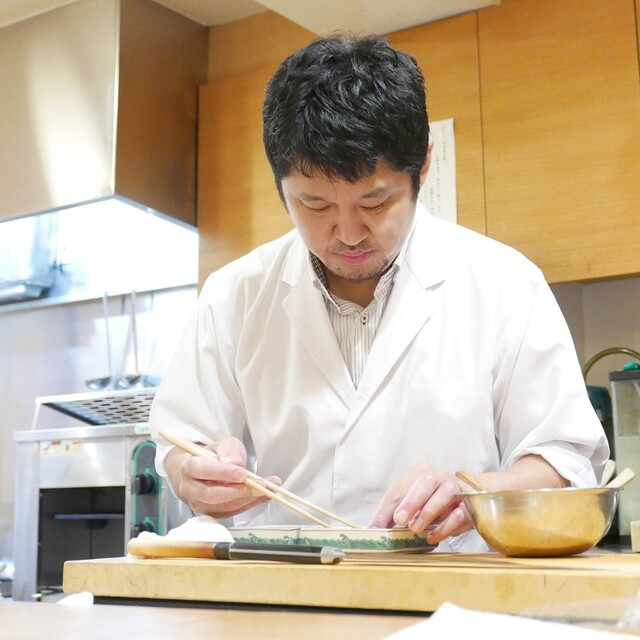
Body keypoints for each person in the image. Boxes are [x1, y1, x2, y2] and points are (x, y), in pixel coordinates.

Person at [149, 33, 609, 552]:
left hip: (455, 592)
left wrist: (476, 494)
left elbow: (564, 458)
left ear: (423, 165)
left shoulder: (504, 283)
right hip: (288, 590)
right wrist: (195, 473)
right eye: (315, 205)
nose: (348, 234)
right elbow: (181, 444)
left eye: (374, 203)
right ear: (280, 185)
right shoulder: (234, 296)